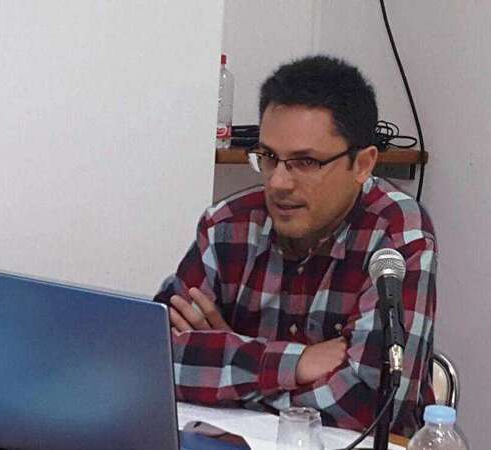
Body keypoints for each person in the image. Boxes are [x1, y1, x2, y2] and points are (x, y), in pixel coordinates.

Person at [154, 55, 436, 435]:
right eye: (269, 157)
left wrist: (230, 359)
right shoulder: (227, 225)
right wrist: (297, 362)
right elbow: (150, 359)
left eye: (305, 162)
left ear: (363, 164)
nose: (278, 183)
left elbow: (373, 404)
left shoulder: (398, 232)